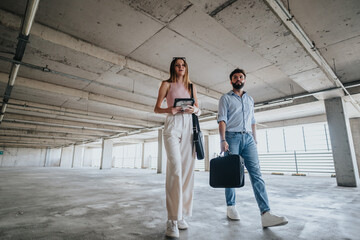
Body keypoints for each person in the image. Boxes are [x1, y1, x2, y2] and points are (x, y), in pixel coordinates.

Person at [217, 68, 288, 228]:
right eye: (235, 77)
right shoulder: (225, 98)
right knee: (231, 175)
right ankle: (231, 206)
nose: (238, 79)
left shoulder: (250, 99)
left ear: (244, 80)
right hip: (231, 137)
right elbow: (222, 119)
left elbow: (253, 120)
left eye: (241, 77)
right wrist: (222, 139)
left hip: (248, 138)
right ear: (231, 81)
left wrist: (254, 139)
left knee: (257, 175)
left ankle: (266, 213)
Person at [154, 57, 201, 238]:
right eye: (177, 65)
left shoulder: (191, 86)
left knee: (188, 172)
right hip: (173, 125)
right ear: (173, 67)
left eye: (183, 65)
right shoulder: (166, 84)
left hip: (189, 125)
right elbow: (157, 108)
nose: (181, 67)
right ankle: (171, 220)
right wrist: (170, 110)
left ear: (186, 68)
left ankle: (181, 215)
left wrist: (194, 110)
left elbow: (199, 108)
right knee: (175, 170)